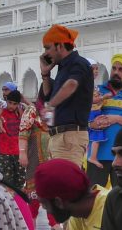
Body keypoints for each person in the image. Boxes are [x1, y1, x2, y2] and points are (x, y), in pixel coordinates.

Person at [37, 25, 93, 166]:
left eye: (47, 48)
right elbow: (48, 96)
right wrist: (45, 74)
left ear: (60, 46)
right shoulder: (62, 68)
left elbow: (72, 85)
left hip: (70, 137)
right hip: (60, 136)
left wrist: (50, 106)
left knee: (66, 183)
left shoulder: (78, 63)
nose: (45, 53)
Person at [86, 53, 122, 187]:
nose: (116, 72)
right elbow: (84, 118)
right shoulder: (98, 92)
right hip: (97, 156)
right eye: (114, 68)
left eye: (121, 69)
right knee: (93, 197)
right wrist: (92, 124)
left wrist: (116, 118)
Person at [0, 91, 24, 191]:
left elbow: (25, 125)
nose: (11, 106)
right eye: (10, 103)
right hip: (4, 153)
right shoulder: (2, 113)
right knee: (7, 183)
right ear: (6, 101)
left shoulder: (20, 114)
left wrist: (20, 111)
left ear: (18, 104)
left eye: (15, 104)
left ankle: (20, 203)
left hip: (19, 153)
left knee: (20, 182)